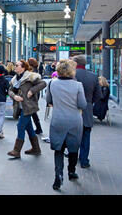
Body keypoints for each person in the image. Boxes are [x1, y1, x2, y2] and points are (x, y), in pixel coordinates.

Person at [46, 59, 87, 190]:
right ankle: (71, 171)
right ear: (71, 71)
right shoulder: (78, 85)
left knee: (58, 149)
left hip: (58, 120)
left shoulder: (52, 83)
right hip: (74, 121)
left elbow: (49, 101)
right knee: (73, 148)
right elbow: (83, 104)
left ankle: (58, 175)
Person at [7, 60, 47, 158]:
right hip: (20, 106)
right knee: (29, 128)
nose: (15, 67)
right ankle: (36, 149)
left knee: (20, 126)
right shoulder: (15, 79)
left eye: (17, 65)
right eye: (15, 65)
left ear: (23, 67)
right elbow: (10, 91)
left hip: (29, 106)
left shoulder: (31, 76)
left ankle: (16, 150)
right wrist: (14, 96)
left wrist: (32, 91)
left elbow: (43, 84)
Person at [72, 55, 102, 168]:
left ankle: (73, 159)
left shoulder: (71, 75)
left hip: (73, 109)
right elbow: (98, 95)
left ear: (75, 63)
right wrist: (89, 103)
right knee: (86, 135)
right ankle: (84, 160)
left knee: (73, 136)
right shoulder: (93, 76)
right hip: (87, 110)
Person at [28, 58, 44, 135]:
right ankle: (37, 128)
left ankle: (38, 128)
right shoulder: (35, 70)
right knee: (32, 111)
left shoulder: (32, 72)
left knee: (31, 111)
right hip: (35, 93)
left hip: (32, 93)